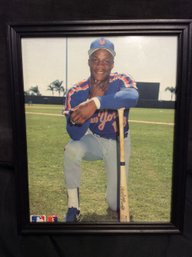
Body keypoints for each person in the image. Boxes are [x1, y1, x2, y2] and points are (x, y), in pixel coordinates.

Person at [63, 37, 139, 222]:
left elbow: (132, 96)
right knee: (71, 149)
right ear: (89, 61)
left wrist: (96, 102)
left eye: (106, 60)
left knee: (115, 204)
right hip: (94, 140)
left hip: (119, 143)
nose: (100, 65)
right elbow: (74, 134)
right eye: (96, 59)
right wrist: (89, 99)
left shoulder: (121, 80)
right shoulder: (76, 91)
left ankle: (112, 196)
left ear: (113, 64)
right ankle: (73, 207)